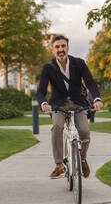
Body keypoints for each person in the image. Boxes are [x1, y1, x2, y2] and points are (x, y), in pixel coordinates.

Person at [36, 35, 103, 179]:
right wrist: (44, 103)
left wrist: (97, 99)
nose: (61, 49)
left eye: (63, 46)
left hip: (78, 103)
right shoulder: (48, 67)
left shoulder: (79, 63)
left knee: (84, 131)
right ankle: (59, 165)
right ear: (53, 49)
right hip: (58, 105)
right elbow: (40, 91)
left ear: (67, 47)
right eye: (57, 47)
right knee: (57, 127)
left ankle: (83, 159)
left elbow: (90, 83)